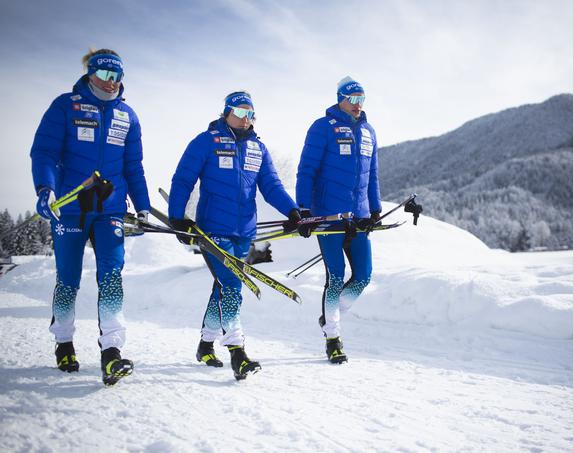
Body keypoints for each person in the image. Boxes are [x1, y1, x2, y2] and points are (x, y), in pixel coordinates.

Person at [30, 49, 151, 386]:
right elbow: (44, 152)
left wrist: (140, 207)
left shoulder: (128, 116)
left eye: (118, 77)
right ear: (90, 72)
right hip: (70, 207)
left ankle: (111, 352)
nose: (112, 83)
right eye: (105, 75)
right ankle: (64, 342)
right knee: (68, 278)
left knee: (112, 276)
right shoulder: (65, 105)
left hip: (110, 209)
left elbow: (134, 167)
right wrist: (45, 189)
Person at [168, 91, 303, 380]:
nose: (245, 119)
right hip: (213, 229)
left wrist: (292, 211)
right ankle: (237, 352)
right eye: (240, 112)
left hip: (244, 231)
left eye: (250, 114)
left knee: (223, 285)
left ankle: (205, 345)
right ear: (226, 112)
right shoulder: (206, 141)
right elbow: (183, 179)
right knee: (232, 285)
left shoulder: (258, 148)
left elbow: (272, 186)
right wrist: (177, 216)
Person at [295, 76, 382, 364]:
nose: (358, 104)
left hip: (358, 216)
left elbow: (373, 176)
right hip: (328, 215)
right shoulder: (323, 127)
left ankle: (329, 315)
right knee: (335, 277)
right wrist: (305, 210)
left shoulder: (369, 131)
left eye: (362, 98)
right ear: (340, 98)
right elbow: (306, 170)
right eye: (353, 98)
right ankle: (333, 337)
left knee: (363, 276)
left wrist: (375, 209)